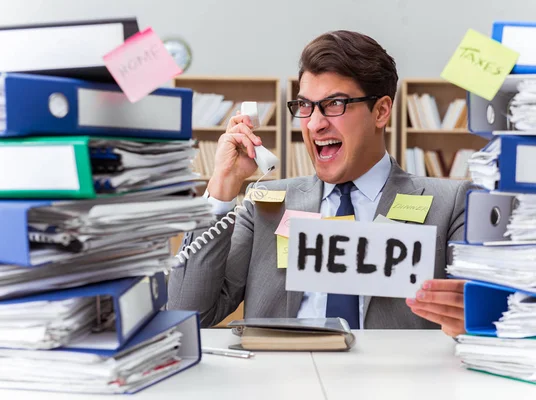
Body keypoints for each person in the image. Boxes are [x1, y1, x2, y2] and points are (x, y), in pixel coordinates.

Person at [168, 30, 471, 337]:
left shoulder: (450, 203)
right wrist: (222, 185)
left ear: (380, 111)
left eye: (335, 104)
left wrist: (470, 317)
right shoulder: (264, 204)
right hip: (281, 379)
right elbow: (189, 313)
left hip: (392, 382)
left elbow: (479, 316)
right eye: (305, 106)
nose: (314, 124)